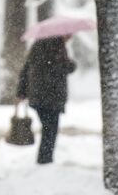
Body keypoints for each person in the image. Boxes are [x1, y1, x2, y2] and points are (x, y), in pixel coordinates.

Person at [16, 35, 76, 165]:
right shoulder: (57, 48)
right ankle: (45, 159)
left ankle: (45, 158)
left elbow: (26, 68)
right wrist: (70, 63)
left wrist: (21, 91)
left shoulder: (38, 44)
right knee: (51, 128)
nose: (71, 37)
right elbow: (64, 68)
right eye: (69, 34)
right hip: (52, 96)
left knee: (48, 128)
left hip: (38, 95)